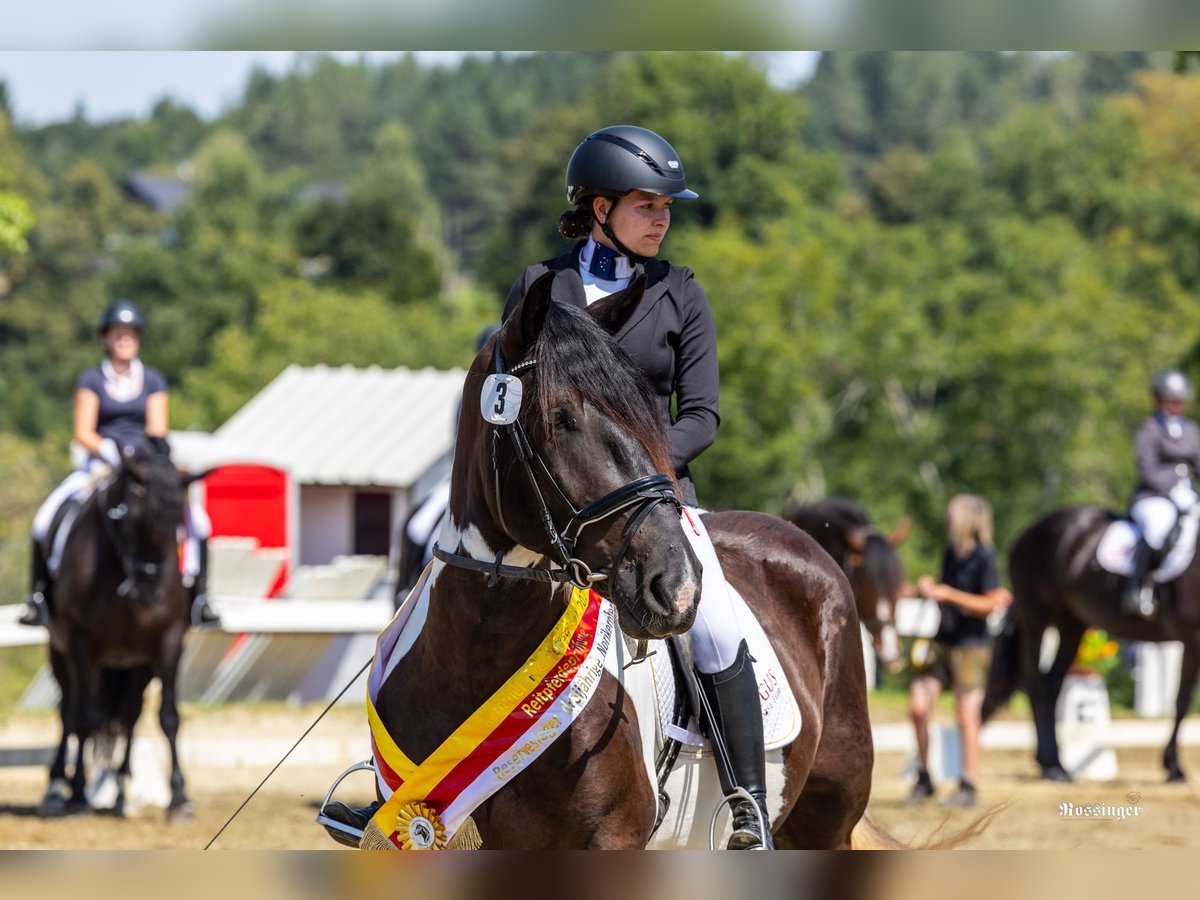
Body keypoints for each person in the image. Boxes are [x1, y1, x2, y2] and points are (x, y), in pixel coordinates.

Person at [499, 125, 770, 849]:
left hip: (652, 502)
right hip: (555, 508)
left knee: (716, 624)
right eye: (647, 203)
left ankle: (749, 809)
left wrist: (643, 474)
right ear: (598, 207)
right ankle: (401, 776)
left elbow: (704, 415)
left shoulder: (680, 291)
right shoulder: (538, 288)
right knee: (455, 592)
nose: (663, 218)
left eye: (667, 206)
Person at [17, 299, 220, 629]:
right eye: (118, 334)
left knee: (199, 522)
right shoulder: (92, 379)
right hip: (101, 464)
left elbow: (157, 429)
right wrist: (107, 449)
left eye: (130, 334)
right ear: (106, 338)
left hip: (142, 467)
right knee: (43, 520)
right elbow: (83, 430)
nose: (124, 340)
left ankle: (200, 597)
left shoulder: (152, 380)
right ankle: (38, 597)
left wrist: (138, 457)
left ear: (137, 338)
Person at [905, 493, 1011, 808]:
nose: (947, 520)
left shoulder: (985, 557)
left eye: (952, 515)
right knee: (918, 707)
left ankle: (968, 784)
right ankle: (924, 777)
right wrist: (928, 590)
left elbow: (990, 603)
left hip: (972, 645)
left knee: (967, 716)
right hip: (942, 640)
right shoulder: (951, 553)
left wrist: (949, 594)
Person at [1121, 369, 1200, 619]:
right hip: (1154, 496)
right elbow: (1147, 468)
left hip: (1186, 494)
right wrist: (1172, 488)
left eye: (1180, 401)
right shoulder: (1149, 429)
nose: (1176, 406)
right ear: (1158, 400)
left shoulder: (1190, 430)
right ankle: (1138, 589)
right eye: (1171, 400)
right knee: (1158, 528)